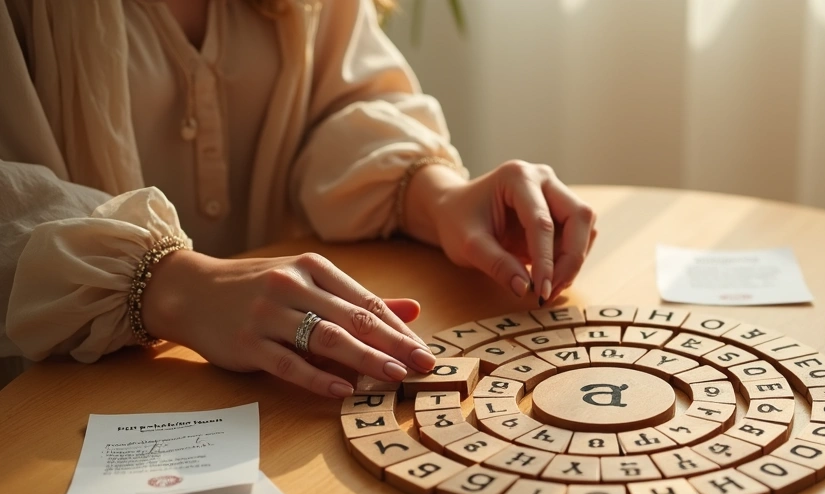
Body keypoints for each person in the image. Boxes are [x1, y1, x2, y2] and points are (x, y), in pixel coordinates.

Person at [0, 0, 597, 398]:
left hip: (272, 402)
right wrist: (167, 284)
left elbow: (336, 103)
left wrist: (434, 194)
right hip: (48, 416)